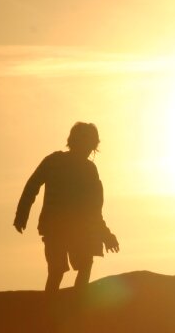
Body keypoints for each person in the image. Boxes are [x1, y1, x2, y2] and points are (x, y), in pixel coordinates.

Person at [14, 122, 120, 291]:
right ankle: (54, 307)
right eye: (86, 143)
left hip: (73, 229)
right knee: (59, 271)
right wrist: (22, 214)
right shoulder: (56, 161)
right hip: (57, 229)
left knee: (81, 265)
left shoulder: (87, 169)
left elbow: (94, 209)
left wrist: (106, 235)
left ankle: (75, 303)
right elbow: (33, 185)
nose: (88, 149)